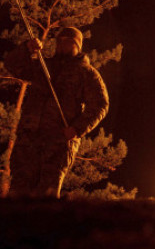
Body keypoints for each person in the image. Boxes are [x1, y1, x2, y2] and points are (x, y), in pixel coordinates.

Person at [4, 26, 109, 197]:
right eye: (60, 41)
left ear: (78, 45)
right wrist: (27, 49)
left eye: (68, 42)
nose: (63, 45)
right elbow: (12, 65)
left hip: (58, 142)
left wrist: (76, 129)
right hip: (28, 140)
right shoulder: (44, 67)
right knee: (17, 192)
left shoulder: (86, 73)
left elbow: (100, 104)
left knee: (46, 194)